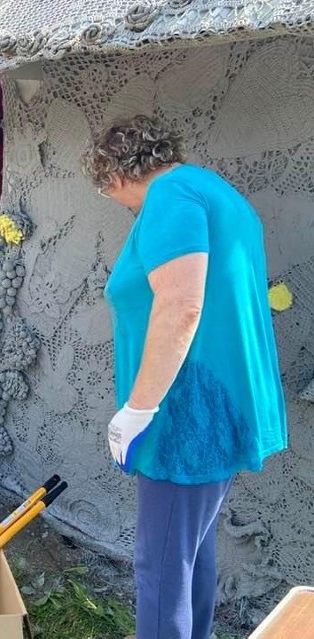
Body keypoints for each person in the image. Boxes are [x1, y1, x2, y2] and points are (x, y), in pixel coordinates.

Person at [82, 115, 287, 639]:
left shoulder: (170, 196)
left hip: (186, 408)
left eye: (109, 191)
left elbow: (180, 305)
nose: (118, 202)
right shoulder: (212, 189)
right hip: (216, 399)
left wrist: (139, 408)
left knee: (161, 567)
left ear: (117, 172)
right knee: (190, 551)